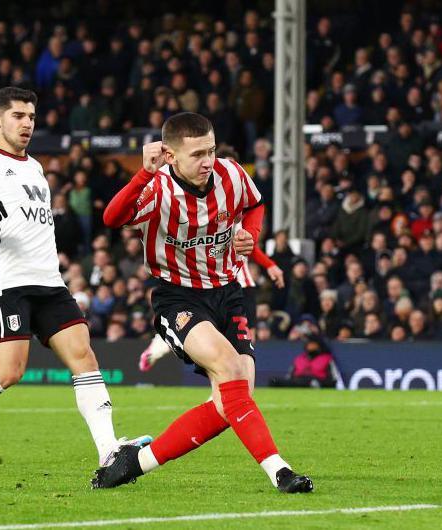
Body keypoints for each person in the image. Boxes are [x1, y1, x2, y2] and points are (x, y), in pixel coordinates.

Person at [0, 87, 149, 467]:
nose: (26, 124)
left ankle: (108, 451)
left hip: (50, 282)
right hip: (9, 282)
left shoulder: (36, 168)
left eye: (32, 118)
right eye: (18, 116)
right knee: (9, 371)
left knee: (84, 358)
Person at [97, 112, 313, 493]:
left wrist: (249, 233)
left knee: (233, 399)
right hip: (178, 296)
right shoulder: (159, 188)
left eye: (210, 151)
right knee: (230, 369)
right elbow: (113, 218)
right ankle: (280, 472)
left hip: (228, 293)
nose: (208, 161)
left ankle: (137, 463)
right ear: (170, 155)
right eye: (197, 154)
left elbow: (255, 203)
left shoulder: (231, 175)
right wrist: (143, 174)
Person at [138, 241, 284, 371]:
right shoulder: (224, 220)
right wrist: (270, 265)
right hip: (229, 286)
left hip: (231, 287)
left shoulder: (227, 221)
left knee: (229, 345)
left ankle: (161, 344)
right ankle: (220, 395)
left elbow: (250, 245)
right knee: (225, 344)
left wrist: (269, 265)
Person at [269, 334, 338, 388]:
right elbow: (289, 376)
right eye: (308, 343)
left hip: (315, 381)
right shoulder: (299, 359)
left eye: (312, 343)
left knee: (311, 383)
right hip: (298, 381)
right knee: (273, 381)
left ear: (318, 345)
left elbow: (334, 380)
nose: (309, 345)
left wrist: (320, 383)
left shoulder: (327, 359)